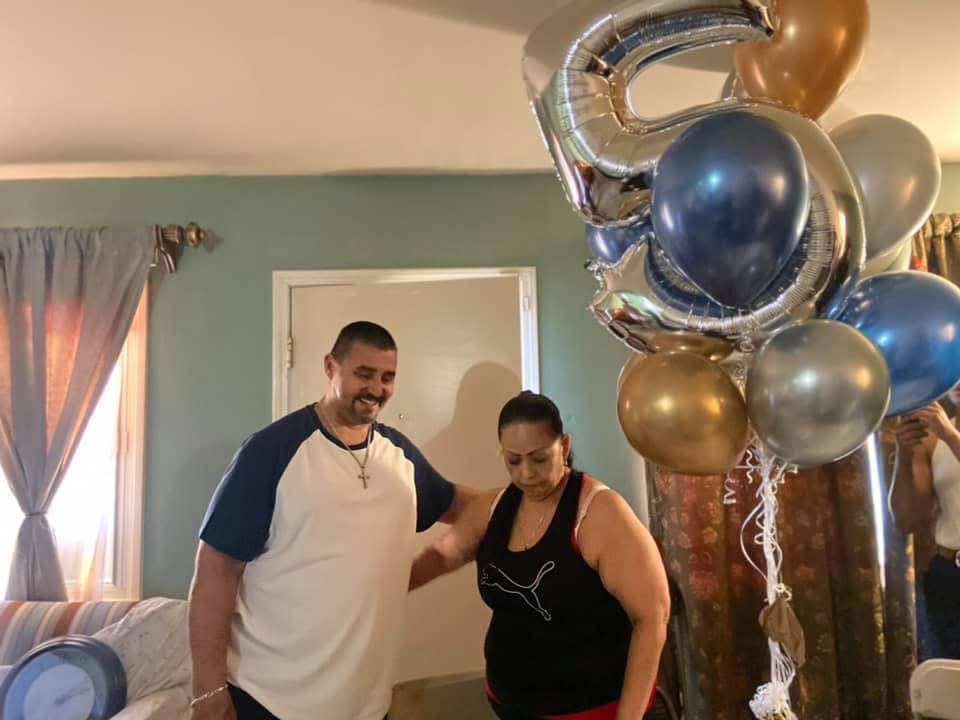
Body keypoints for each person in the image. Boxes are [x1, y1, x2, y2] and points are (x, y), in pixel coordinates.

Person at [189, 321, 475, 720]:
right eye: (364, 374)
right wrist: (207, 690)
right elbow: (215, 570)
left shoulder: (398, 455)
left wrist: (547, 489)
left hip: (366, 705)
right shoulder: (271, 451)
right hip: (268, 699)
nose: (376, 388)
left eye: (387, 377)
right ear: (330, 366)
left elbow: (465, 505)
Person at [410, 391, 670, 720]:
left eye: (539, 458)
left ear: (564, 445)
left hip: (592, 709)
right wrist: (377, 594)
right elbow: (443, 554)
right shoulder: (493, 507)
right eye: (513, 461)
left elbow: (652, 618)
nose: (527, 474)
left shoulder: (600, 513)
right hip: (509, 702)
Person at [892, 383, 960, 660]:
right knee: (945, 682)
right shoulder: (934, 438)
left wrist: (950, 435)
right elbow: (906, 520)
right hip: (948, 575)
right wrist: (904, 454)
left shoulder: (945, 432)